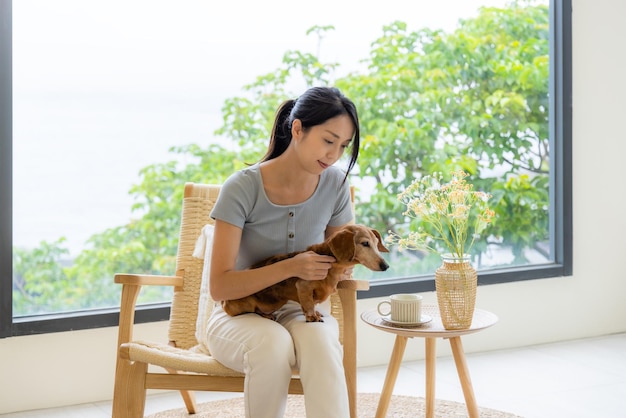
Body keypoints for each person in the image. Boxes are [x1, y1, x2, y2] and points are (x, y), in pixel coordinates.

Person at [205, 86, 361, 418]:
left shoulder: (335, 185)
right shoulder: (242, 187)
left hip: (302, 309)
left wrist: (347, 263)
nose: (334, 155)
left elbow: (341, 261)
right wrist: (293, 266)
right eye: (328, 140)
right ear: (298, 128)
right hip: (238, 313)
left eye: (343, 146)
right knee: (271, 344)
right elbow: (220, 287)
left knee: (320, 344)